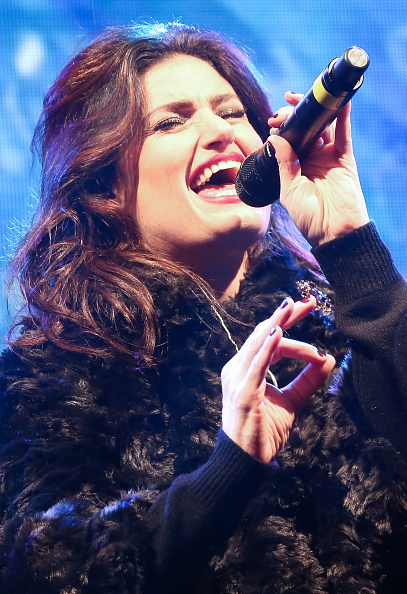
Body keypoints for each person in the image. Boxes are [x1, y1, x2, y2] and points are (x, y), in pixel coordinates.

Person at [0, 22, 406, 594]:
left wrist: (349, 241)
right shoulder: (48, 377)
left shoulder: (343, 324)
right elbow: (46, 569)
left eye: (232, 113)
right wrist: (230, 467)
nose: (220, 132)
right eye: (171, 121)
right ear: (104, 185)